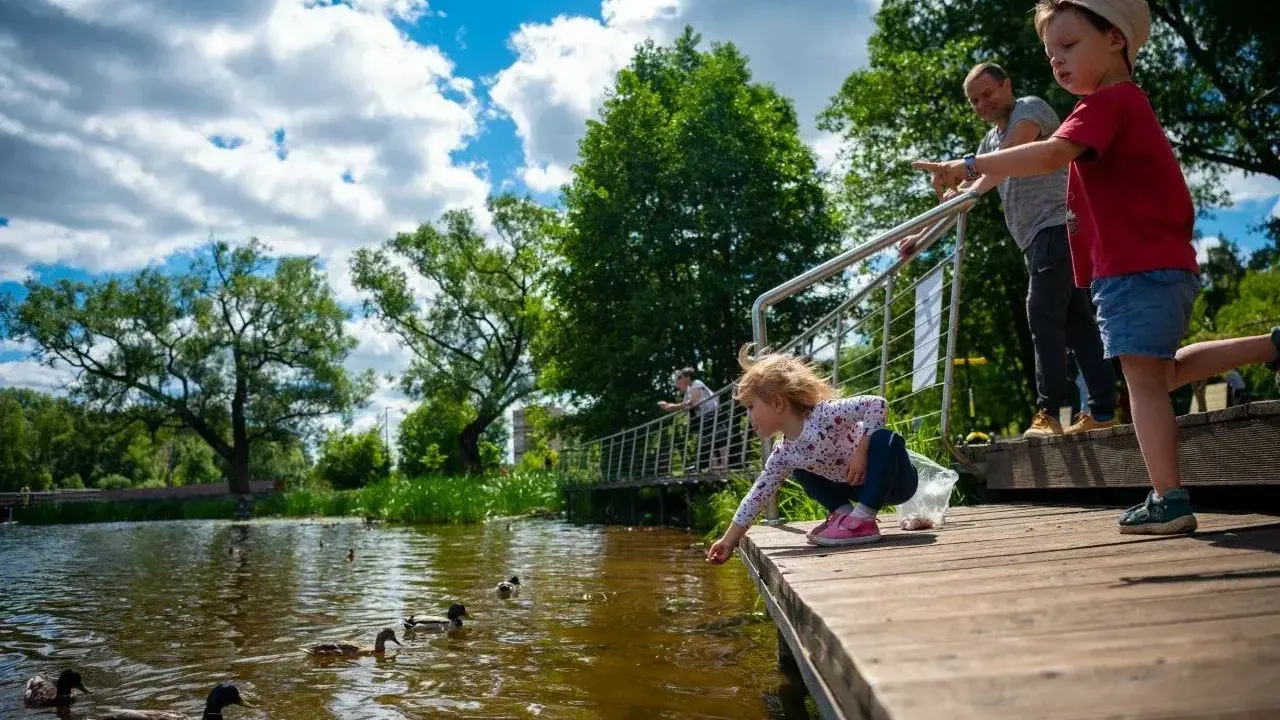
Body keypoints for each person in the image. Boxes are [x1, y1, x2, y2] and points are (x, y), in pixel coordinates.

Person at [913, 0, 1280, 534]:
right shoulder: (1123, 104)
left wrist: (966, 164)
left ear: (1114, 39)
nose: (1057, 61)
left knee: (1145, 384)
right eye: (1050, 53)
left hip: (1136, 269)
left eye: (1068, 45)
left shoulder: (1105, 104)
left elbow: (1044, 156)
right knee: (1162, 371)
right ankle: (1271, 345)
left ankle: (1168, 497)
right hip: (1153, 266)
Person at [902, 61, 1115, 438]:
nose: (982, 103)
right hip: (1035, 240)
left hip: (1058, 225)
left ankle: (1049, 412)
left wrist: (963, 168)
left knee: (1041, 314)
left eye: (987, 93)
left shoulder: (1029, 109)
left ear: (1007, 86)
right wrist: (921, 237)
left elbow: (1011, 158)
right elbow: (967, 198)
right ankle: (1101, 410)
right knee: (1080, 323)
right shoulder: (987, 145)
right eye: (974, 101)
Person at [706, 346, 919, 562]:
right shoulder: (784, 452)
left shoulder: (824, 414)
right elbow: (758, 494)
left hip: (896, 481)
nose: (748, 416)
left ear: (777, 403)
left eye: (751, 407)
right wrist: (728, 541)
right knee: (799, 465)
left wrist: (862, 451)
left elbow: (877, 403)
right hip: (857, 487)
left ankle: (862, 520)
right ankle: (844, 515)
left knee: (885, 439)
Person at [658, 367, 726, 471]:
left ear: (687, 377)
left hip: (710, 415)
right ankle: (716, 467)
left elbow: (694, 403)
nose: (679, 379)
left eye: (680, 377)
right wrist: (669, 406)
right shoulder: (689, 389)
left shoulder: (696, 383)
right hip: (704, 418)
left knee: (716, 440)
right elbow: (685, 406)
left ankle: (719, 466)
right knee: (711, 442)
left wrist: (682, 405)